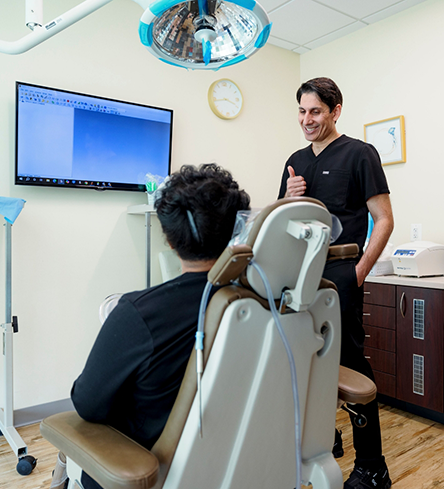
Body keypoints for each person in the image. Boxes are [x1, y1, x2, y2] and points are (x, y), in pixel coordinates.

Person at [70, 163, 251, 489]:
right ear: (233, 231)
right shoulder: (257, 303)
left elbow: (88, 404)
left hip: (150, 464)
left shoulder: (137, 313)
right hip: (237, 457)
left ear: (168, 238)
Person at [277, 78, 394, 489]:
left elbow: (384, 219)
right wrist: (288, 197)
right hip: (299, 277)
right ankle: (324, 438)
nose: (307, 120)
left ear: (335, 110)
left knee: (352, 366)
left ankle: (372, 466)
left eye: (316, 112)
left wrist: (359, 270)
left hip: (341, 274)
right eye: (302, 111)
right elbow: (284, 226)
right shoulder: (295, 160)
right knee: (304, 361)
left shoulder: (359, 154)